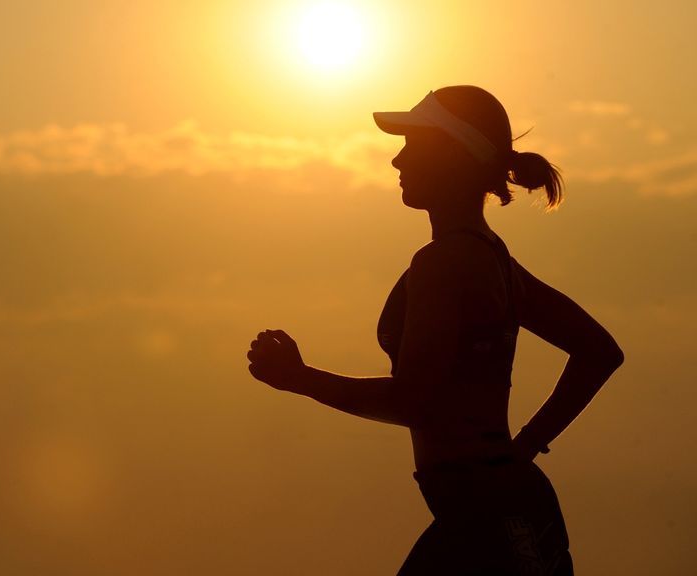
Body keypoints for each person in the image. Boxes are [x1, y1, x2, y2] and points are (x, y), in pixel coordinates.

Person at [245, 85, 624, 575]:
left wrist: (301, 379)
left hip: (490, 520)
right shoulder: (491, 258)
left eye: (412, 145)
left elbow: (415, 403)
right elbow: (599, 351)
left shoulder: (445, 263)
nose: (396, 162)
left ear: (452, 154)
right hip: (492, 510)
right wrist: (524, 448)